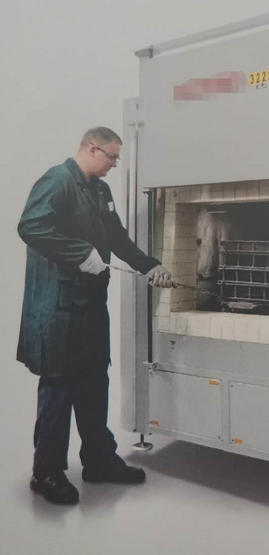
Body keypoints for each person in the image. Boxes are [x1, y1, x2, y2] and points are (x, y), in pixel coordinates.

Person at [17, 127, 171, 505]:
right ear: (92, 148)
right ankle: (46, 472)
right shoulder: (57, 181)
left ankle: (99, 461)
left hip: (90, 308)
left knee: (94, 384)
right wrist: (80, 253)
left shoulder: (100, 190)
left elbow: (116, 237)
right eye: (112, 156)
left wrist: (149, 266)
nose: (115, 164)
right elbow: (31, 225)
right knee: (59, 390)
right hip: (59, 309)